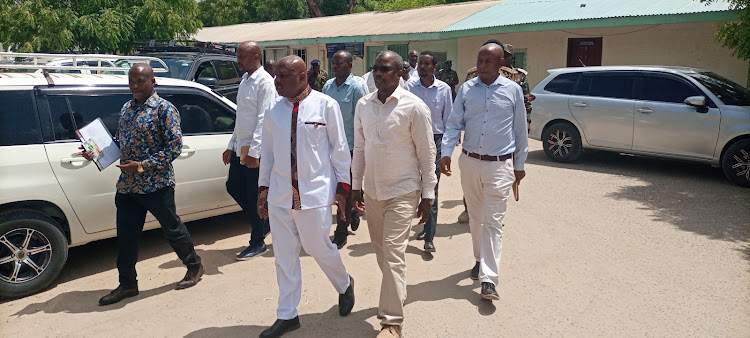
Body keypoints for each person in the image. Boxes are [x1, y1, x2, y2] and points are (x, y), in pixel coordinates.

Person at [79, 63, 204, 306]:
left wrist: (142, 165)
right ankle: (128, 284)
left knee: (173, 229)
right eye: (131, 81)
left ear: (152, 81)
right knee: (126, 237)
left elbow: (174, 147)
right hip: (127, 187)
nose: (134, 86)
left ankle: (194, 266)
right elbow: (119, 143)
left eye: (140, 81)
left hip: (157, 185)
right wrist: (94, 152)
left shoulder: (164, 110)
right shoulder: (127, 108)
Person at [257, 55, 355, 338]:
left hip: (314, 195)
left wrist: (342, 191)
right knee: (284, 256)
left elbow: (339, 150)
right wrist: (263, 191)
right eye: (275, 76)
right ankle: (287, 314)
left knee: (318, 248)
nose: (276, 82)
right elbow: (269, 156)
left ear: (302, 77)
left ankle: (345, 284)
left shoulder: (326, 106)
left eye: (282, 77)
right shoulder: (273, 112)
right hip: (280, 196)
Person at [351, 50, 437, 338]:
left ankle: (391, 322)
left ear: (400, 73)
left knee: (392, 253)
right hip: (373, 192)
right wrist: (355, 186)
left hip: (403, 191)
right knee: (381, 250)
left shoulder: (414, 107)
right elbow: (360, 149)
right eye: (376, 68)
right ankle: (397, 289)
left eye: (385, 69)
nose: (378, 73)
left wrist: (428, 194)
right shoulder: (364, 105)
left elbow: (427, 153)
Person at [439, 42, 528, 301]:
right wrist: (446, 152)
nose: (482, 65)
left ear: (501, 63)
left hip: (500, 165)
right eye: (479, 60)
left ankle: (489, 278)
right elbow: (454, 124)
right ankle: (479, 260)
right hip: (470, 162)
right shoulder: (467, 89)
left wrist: (519, 165)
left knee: (493, 221)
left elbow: (521, 133)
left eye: (488, 61)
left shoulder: (513, 91)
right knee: (476, 218)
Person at [223, 41, 276, 261]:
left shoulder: (265, 82)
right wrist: (230, 145)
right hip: (240, 147)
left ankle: (257, 242)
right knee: (233, 186)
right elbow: (241, 119)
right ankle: (265, 220)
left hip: (255, 150)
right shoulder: (245, 81)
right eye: (238, 56)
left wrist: (255, 152)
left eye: (242, 57)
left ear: (255, 56)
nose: (238, 61)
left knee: (254, 195)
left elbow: (264, 118)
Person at [404, 51, 453, 253]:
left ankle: (429, 236)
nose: (422, 67)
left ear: (434, 67)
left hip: (435, 141)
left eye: (427, 64)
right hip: (411, 140)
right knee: (412, 185)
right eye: (420, 64)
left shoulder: (444, 89)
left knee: (431, 186)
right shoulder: (409, 88)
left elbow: (449, 119)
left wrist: (448, 147)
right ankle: (421, 224)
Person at [322, 50, 369, 249]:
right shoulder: (327, 86)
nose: (335, 66)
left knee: (345, 190)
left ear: (349, 66)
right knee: (333, 189)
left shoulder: (357, 87)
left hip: (350, 148)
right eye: (333, 63)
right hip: (329, 147)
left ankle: (341, 232)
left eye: (339, 63)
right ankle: (353, 210)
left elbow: (365, 117)